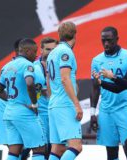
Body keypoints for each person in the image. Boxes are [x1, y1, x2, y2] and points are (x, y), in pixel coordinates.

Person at [0, 38, 46, 160]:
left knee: (14, 151)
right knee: (40, 149)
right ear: (27, 51)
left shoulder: (7, 66)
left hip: (9, 112)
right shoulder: (27, 65)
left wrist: (13, 100)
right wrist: (34, 104)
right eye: (34, 51)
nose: (36, 55)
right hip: (24, 114)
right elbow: (29, 83)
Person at [90, 26, 127, 160]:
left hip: (125, 108)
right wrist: (93, 113)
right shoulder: (97, 60)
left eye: (109, 40)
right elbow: (95, 88)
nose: (106, 44)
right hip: (106, 111)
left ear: (117, 39)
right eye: (103, 40)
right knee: (111, 152)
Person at [46, 21, 83, 160]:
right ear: (74, 34)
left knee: (58, 148)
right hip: (65, 104)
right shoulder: (66, 51)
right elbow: (65, 79)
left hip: (54, 104)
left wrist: (52, 100)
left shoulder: (52, 53)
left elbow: (48, 81)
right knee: (76, 145)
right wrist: (76, 104)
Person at [0, 38, 23, 147]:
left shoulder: (30, 65)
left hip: (12, 106)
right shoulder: (8, 67)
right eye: (31, 49)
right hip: (1, 105)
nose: (34, 52)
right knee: (14, 146)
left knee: (22, 147)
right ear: (20, 50)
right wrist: (16, 102)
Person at [33, 37, 58, 159]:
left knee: (56, 149)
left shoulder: (61, 67)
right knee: (41, 149)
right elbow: (37, 92)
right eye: (48, 49)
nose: (50, 52)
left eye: (53, 49)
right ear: (41, 50)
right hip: (40, 115)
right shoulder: (35, 68)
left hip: (55, 114)